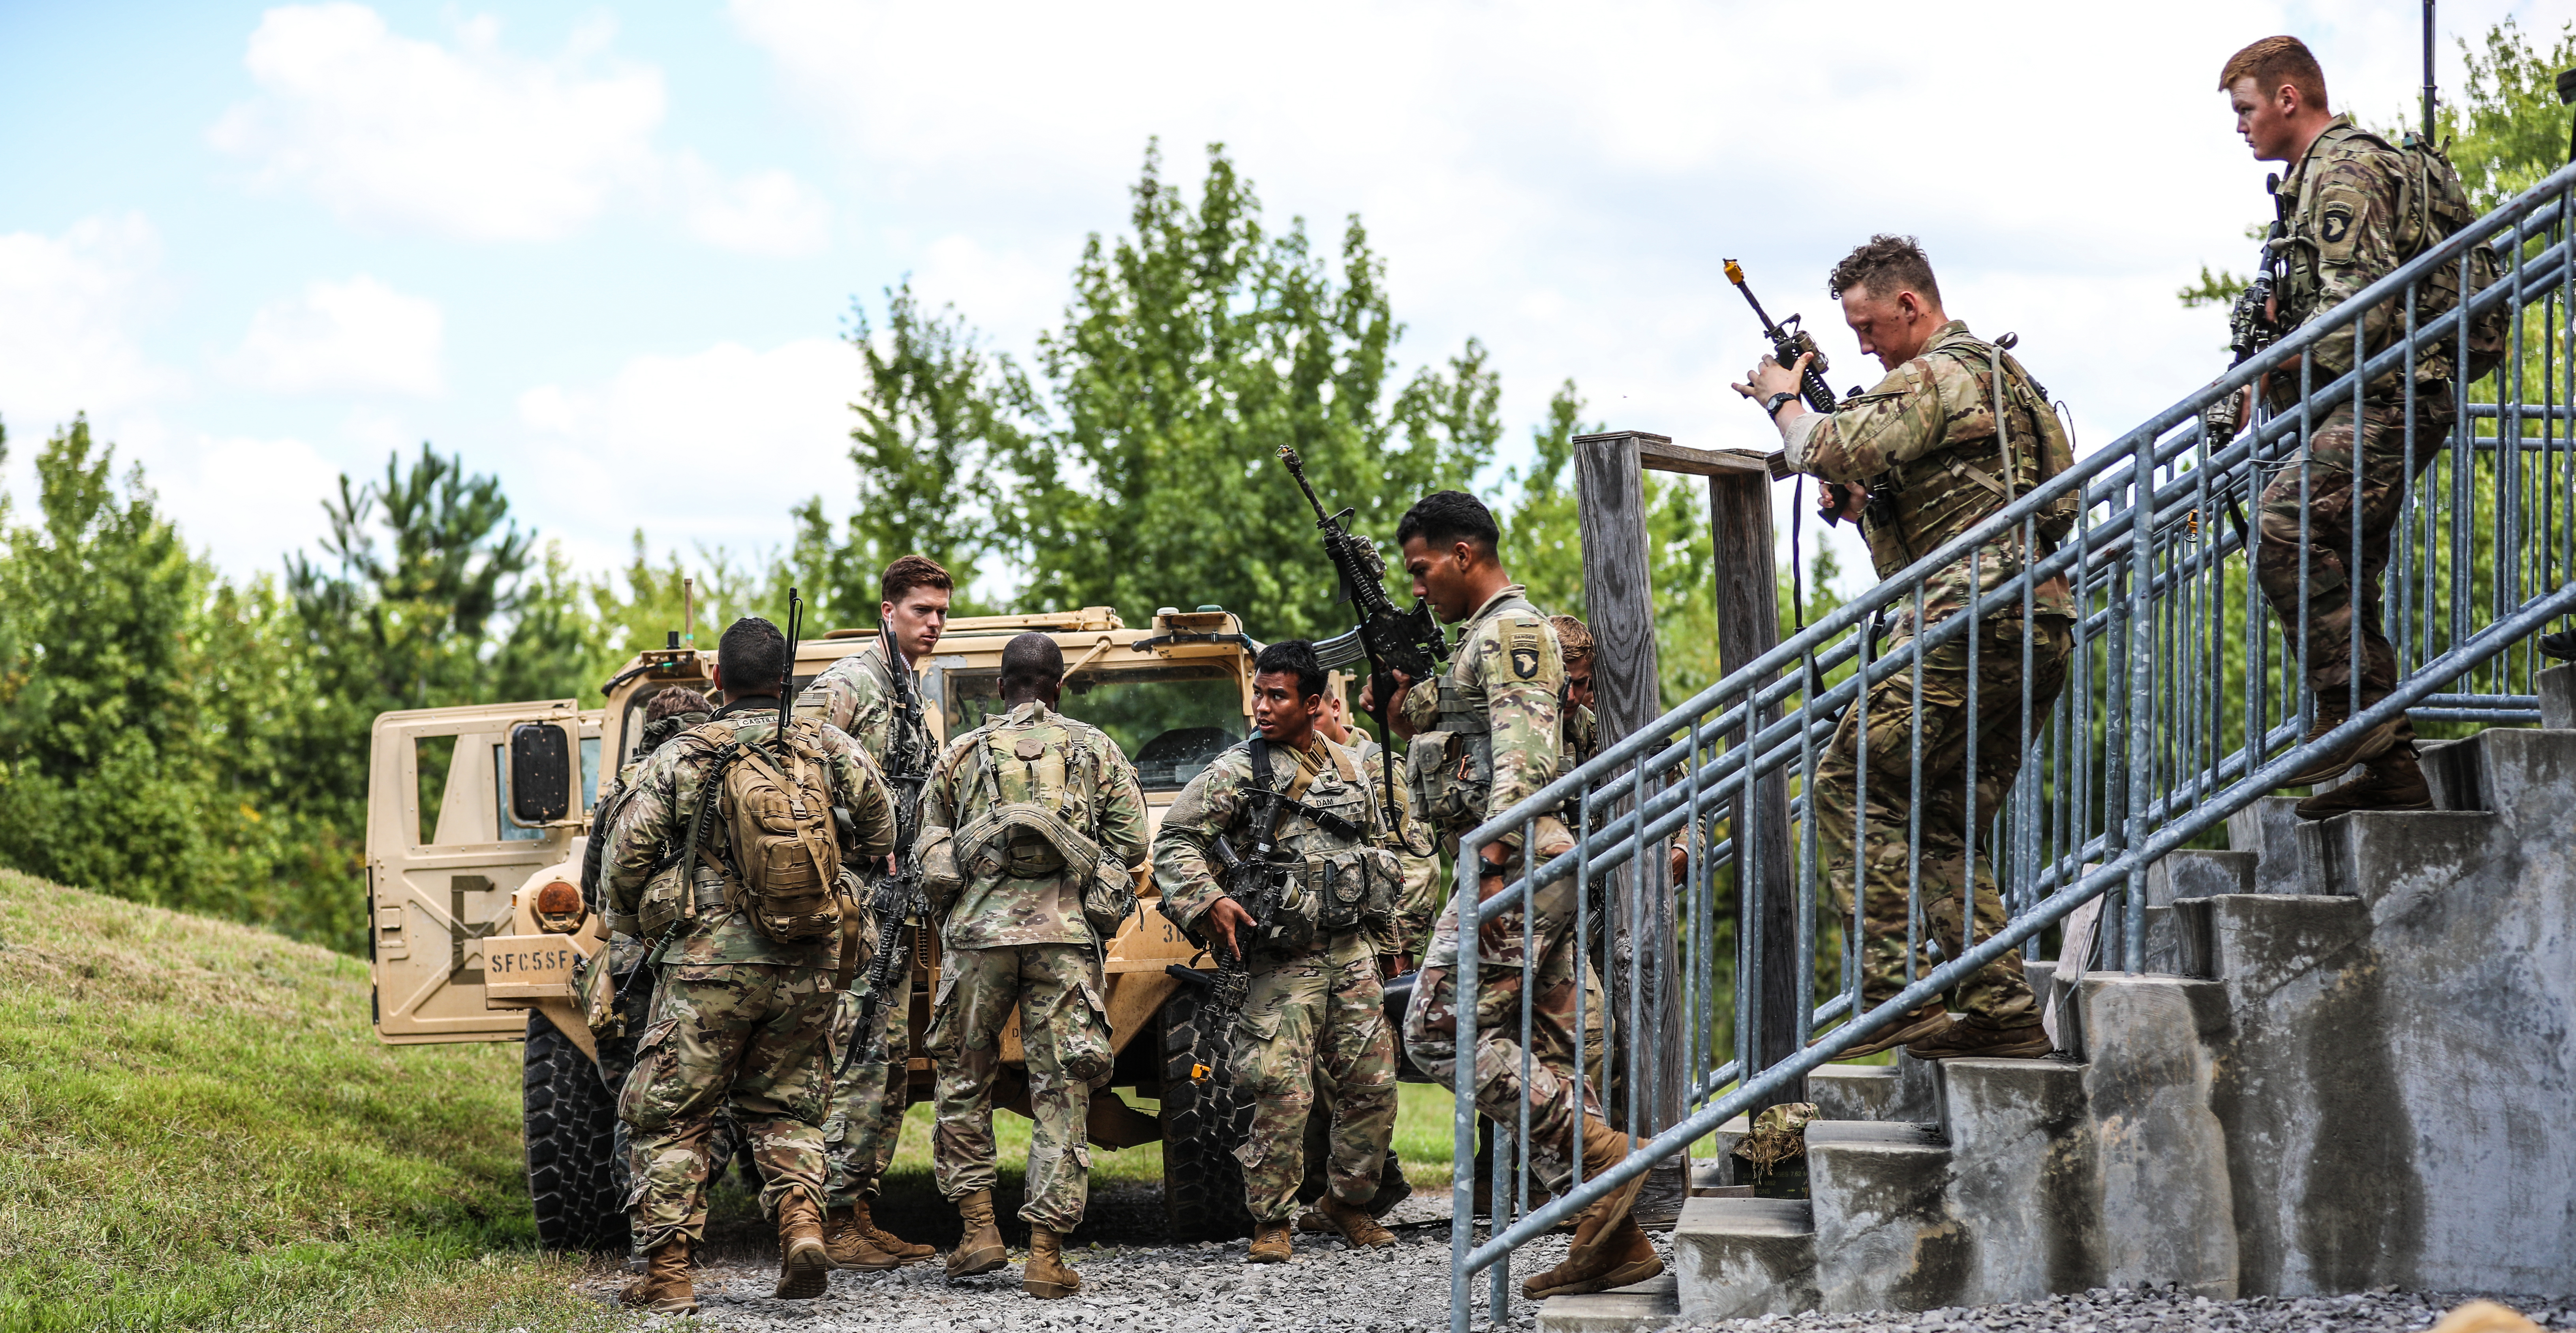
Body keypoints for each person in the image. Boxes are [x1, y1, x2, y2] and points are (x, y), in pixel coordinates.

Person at [1732, 234, 2076, 1063]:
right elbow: (2026, 513)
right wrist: (1869, 506)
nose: (1862, 346)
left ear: (1911, 305)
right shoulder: (2005, 380)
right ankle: (2000, 1009)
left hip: (1965, 626)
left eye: (1869, 325)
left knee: (1848, 783)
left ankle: (1891, 997)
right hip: (2034, 623)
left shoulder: (1937, 374)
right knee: (1941, 820)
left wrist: (1784, 399)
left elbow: (1816, 443)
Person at [1365, 490, 1661, 1301]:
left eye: (1423, 567)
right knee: (1556, 1050)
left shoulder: (1513, 632)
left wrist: (1495, 865)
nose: (1417, 585)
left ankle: (1605, 1156)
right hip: (1529, 860)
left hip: (1517, 855)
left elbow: (1525, 762)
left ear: (1465, 553)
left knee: (1434, 1028)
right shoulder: (1479, 640)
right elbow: (1464, 733)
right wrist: (1400, 705)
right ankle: (1615, 1240)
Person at [601, 618, 897, 1314]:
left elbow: (625, 860)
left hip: (709, 963)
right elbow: (882, 829)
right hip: (810, 958)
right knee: (788, 1105)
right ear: (787, 682)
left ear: (715, 681)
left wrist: (637, 921)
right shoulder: (827, 744)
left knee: (671, 1113)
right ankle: (801, 1227)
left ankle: (669, 1276)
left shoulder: (682, 755)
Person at [2219, 35, 2458, 818]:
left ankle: (2353, 711)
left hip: (2389, 396)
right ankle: (2392, 773)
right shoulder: (2305, 183)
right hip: (2369, 398)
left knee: (2285, 529)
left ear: (2289, 98)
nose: (2241, 126)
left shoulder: (2343, 171)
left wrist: (2278, 360)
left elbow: (2360, 311)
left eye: (2246, 109)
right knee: (2346, 573)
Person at [914, 633, 1150, 1299]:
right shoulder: (1094, 747)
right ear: (1056, 688)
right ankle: (1045, 1254)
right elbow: (1133, 841)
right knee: (1062, 1087)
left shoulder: (960, 752)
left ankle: (978, 1232)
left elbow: (929, 845)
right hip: (1065, 938)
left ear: (1000, 688)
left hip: (976, 939)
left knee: (963, 1079)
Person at [1154, 640, 1405, 1263]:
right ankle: (1271, 1217)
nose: (1261, 708)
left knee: (1372, 1085)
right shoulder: (1238, 771)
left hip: (1349, 952)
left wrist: (1389, 946)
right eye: (1257, 694)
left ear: (1313, 703)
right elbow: (1175, 841)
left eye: (1277, 696)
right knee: (1279, 1090)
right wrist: (1207, 900)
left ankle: (1347, 1202)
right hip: (1279, 961)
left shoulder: (1350, 768)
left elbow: (1371, 860)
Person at [795, 555, 953, 1270]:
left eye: (943, 613)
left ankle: (856, 1207)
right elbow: (792, 773)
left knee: (886, 1059)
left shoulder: (906, 688)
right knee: (853, 1055)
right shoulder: (848, 685)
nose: (935, 624)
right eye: (923, 611)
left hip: (893, 908)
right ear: (887, 611)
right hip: (853, 906)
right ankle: (830, 1216)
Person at [1320, 678, 1438, 971]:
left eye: (1316, 717)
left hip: (1377, 941)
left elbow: (1416, 865)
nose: (1309, 727)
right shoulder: (1290, 765)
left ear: (1335, 708)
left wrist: (1396, 945)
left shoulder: (1375, 768)